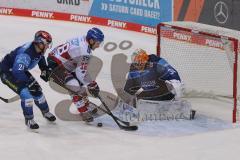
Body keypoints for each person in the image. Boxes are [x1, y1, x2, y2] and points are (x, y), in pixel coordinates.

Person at [0, 30, 56, 129]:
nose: (48, 46)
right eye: (46, 44)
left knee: (37, 91)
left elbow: (40, 57)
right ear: (40, 42)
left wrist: (44, 68)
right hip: (8, 73)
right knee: (27, 95)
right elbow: (17, 72)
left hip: (19, 70)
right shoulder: (25, 54)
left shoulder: (38, 48)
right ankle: (29, 119)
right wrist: (28, 83)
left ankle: (46, 112)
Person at [45, 27, 104, 122]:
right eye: (98, 43)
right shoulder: (85, 51)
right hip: (56, 64)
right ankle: (83, 111)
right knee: (74, 85)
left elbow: (81, 70)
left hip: (64, 62)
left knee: (79, 83)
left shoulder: (83, 39)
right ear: (91, 40)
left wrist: (91, 83)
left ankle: (86, 104)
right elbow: (81, 73)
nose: (98, 46)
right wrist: (92, 84)